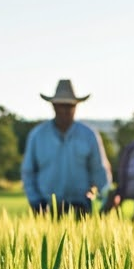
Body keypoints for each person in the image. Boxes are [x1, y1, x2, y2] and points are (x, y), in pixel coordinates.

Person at [20, 79, 112, 216]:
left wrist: (101, 198)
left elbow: (99, 170)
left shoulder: (89, 135)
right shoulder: (37, 136)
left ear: (76, 107)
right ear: (53, 106)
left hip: (81, 207)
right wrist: (35, 202)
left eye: (69, 106)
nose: (65, 110)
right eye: (61, 106)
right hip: (45, 207)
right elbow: (28, 172)